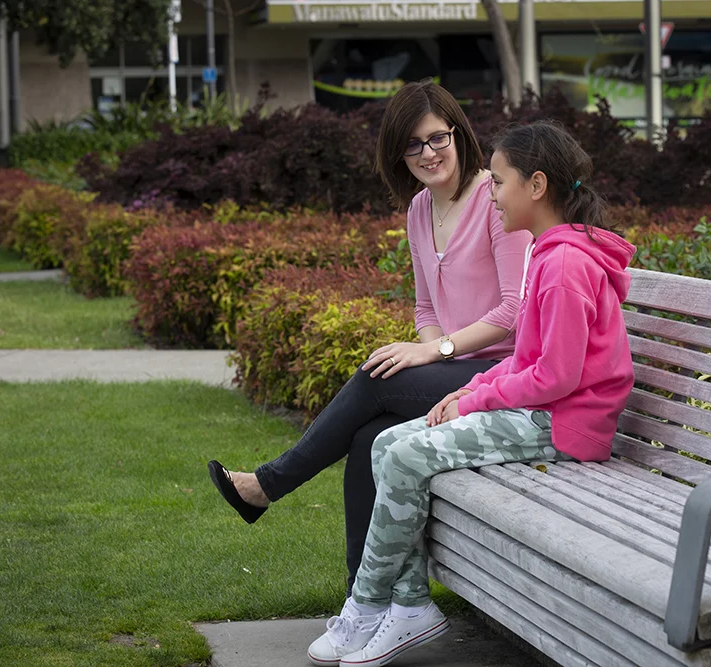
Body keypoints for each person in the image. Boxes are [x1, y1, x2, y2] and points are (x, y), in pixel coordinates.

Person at [307, 120, 637, 667]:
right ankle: (410, 605)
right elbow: (526, 358)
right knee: (386, 444)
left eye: (500, 182)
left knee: (408, 452)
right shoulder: (550, 255)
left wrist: (474, 399)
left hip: (563, 425)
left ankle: (366, 605)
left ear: (536, 186)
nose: (493, 194)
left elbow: (555, 379)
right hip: (540, 412)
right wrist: (480, 382)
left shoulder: (563, 266)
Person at [207, 80, 531, 597]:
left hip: (502, 371)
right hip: (453, 366)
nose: (428, 153)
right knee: (364, 439)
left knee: (376, 378)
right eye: (412, 144)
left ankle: (269, 484)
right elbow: (426, 308)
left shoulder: (494, 198)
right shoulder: (419, 210)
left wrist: (433, 351)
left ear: (459, 134)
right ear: (397, 153)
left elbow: (516, 311)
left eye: (437, 138)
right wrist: (431, 349)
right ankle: (363, 598)